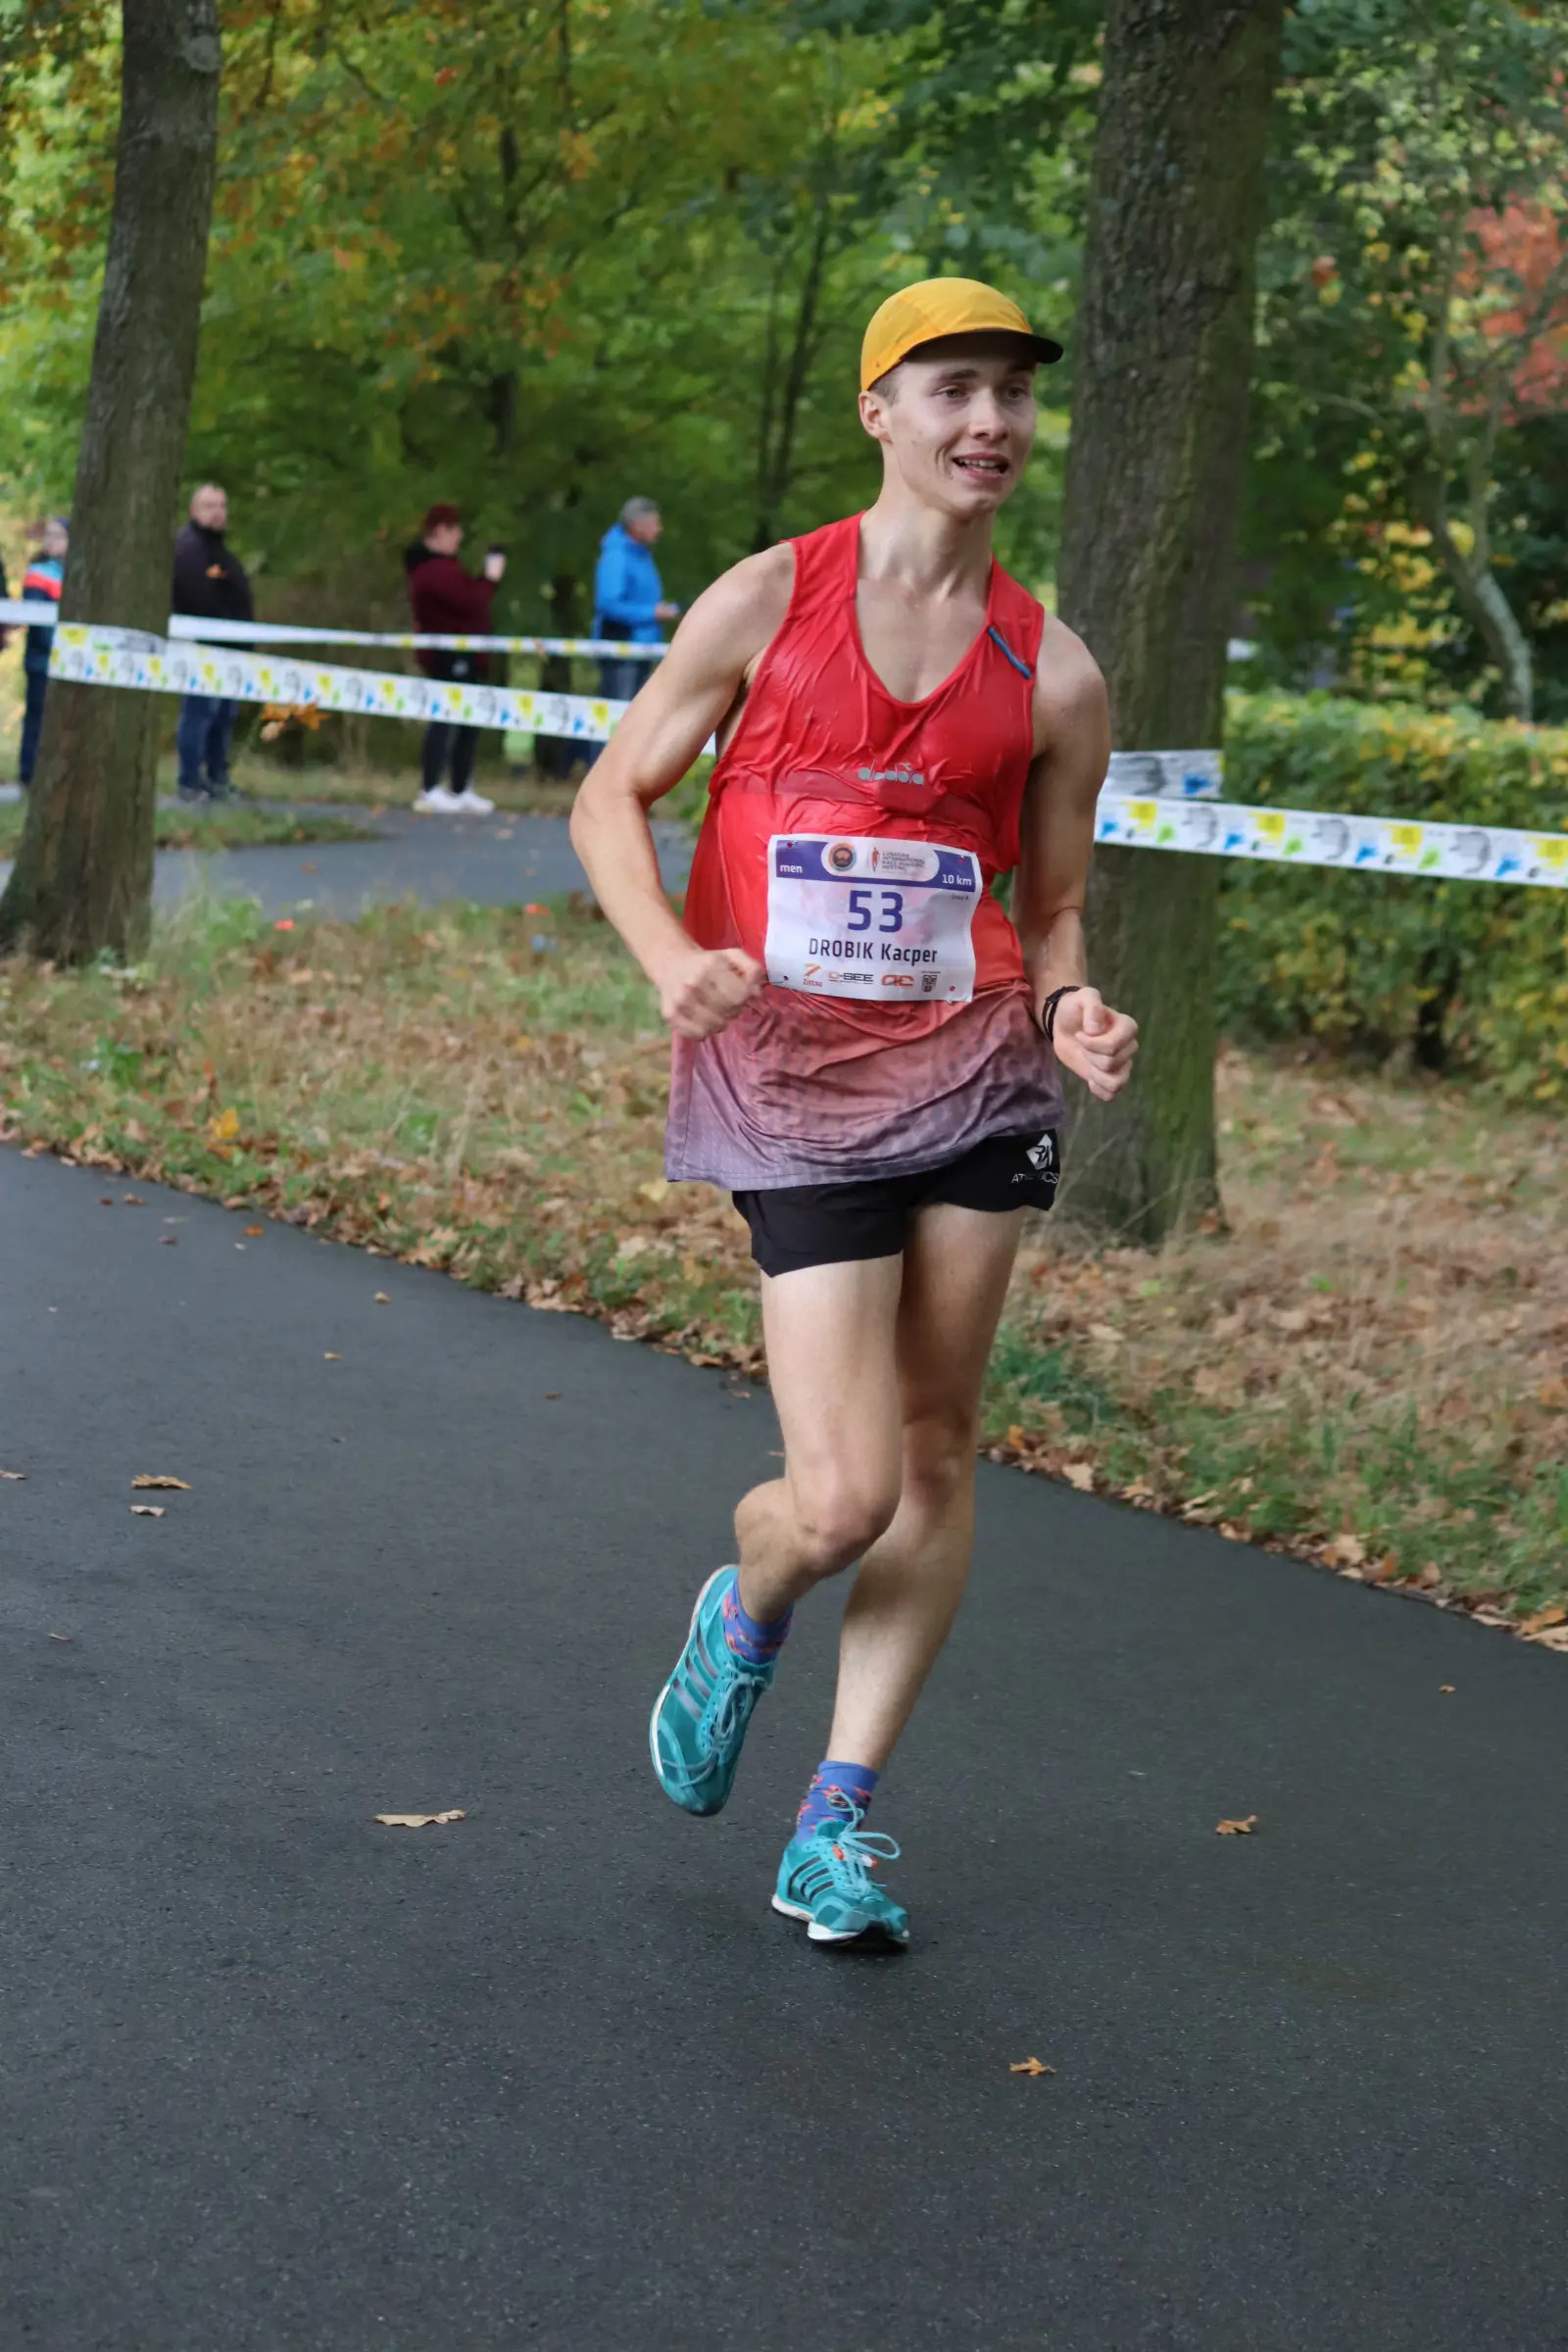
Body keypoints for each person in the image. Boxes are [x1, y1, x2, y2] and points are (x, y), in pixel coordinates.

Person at [571, 277, 1139, 1950]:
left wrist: (1074, 1004)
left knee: (943, 1447)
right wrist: (668, 950)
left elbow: (1049, 912)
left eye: (1015, 398)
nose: (992, 425)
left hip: (973, 1068)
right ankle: (742, 1610)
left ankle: (836, 1825)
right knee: (841, 1498)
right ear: (879, 411)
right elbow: (614, 792)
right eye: (955, 390)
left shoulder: (1055, 670)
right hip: (793, 1085)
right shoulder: (769, 598)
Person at [404, 505, 506, 816]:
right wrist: (490, 578)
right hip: (448, 656)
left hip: (468, 655)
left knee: (468, 720)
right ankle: (431, 787)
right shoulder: (432, 572)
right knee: (444, 719)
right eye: (454, 530)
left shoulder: (447, 568)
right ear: (440, 531)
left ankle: (461, 788)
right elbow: (469, 601)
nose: (459, 536)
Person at [172, 484, 254, 803]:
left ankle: (218, 776)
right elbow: (199, 599)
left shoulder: (220, 551)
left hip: (231, 650)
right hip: (203, 648)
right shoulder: (190, 549)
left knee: (224, 715)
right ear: (194, 510)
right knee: (200, 713)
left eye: (221, 505)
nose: (217, 512)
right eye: (209, 506)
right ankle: (190, 780)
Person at [585, 498, 680, 765]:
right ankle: (601, 788)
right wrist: (652, 613)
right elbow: (608, 603)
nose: (659, 529)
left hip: (640, 649)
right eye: (655, 522)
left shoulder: (641, 556)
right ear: (637, 525)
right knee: (616, 721)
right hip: (621, 649)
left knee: (634, 723)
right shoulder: (617, 555)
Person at [17, 516, 68, 787]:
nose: (51, 541)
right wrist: (59, 649)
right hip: (42, 658)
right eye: (48, 535)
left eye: (58, 535)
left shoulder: (74, 574)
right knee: (38, 717)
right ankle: (29, 773)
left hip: (67, 660)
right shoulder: (39, 573)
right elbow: (38, 620)